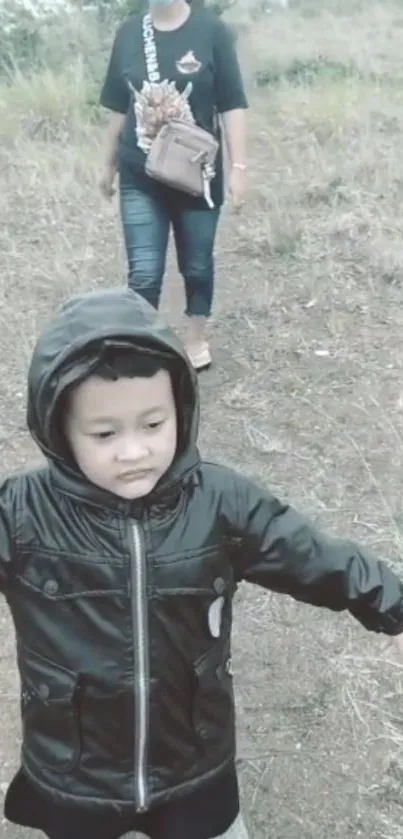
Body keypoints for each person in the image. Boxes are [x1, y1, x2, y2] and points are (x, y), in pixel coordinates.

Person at [3, 287, 403, 839]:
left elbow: (308, 554)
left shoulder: (220, 500)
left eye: (152, 424)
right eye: (104, 433)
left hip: (195, 760)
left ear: (181, 410)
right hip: (76, 773)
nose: (134, 450)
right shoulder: (20, 514)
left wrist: (387, 595)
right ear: (58, 431)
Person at [99, 0, 248, 373]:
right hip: (140, 173)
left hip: (198, 177)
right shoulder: (129, 32)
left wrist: (240, 166)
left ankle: (196, 336)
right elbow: (120, 105)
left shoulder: (212, 32)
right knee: (144, 273)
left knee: (196, 265)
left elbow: (232, 104)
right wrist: (107, 164)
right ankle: (145, 345)